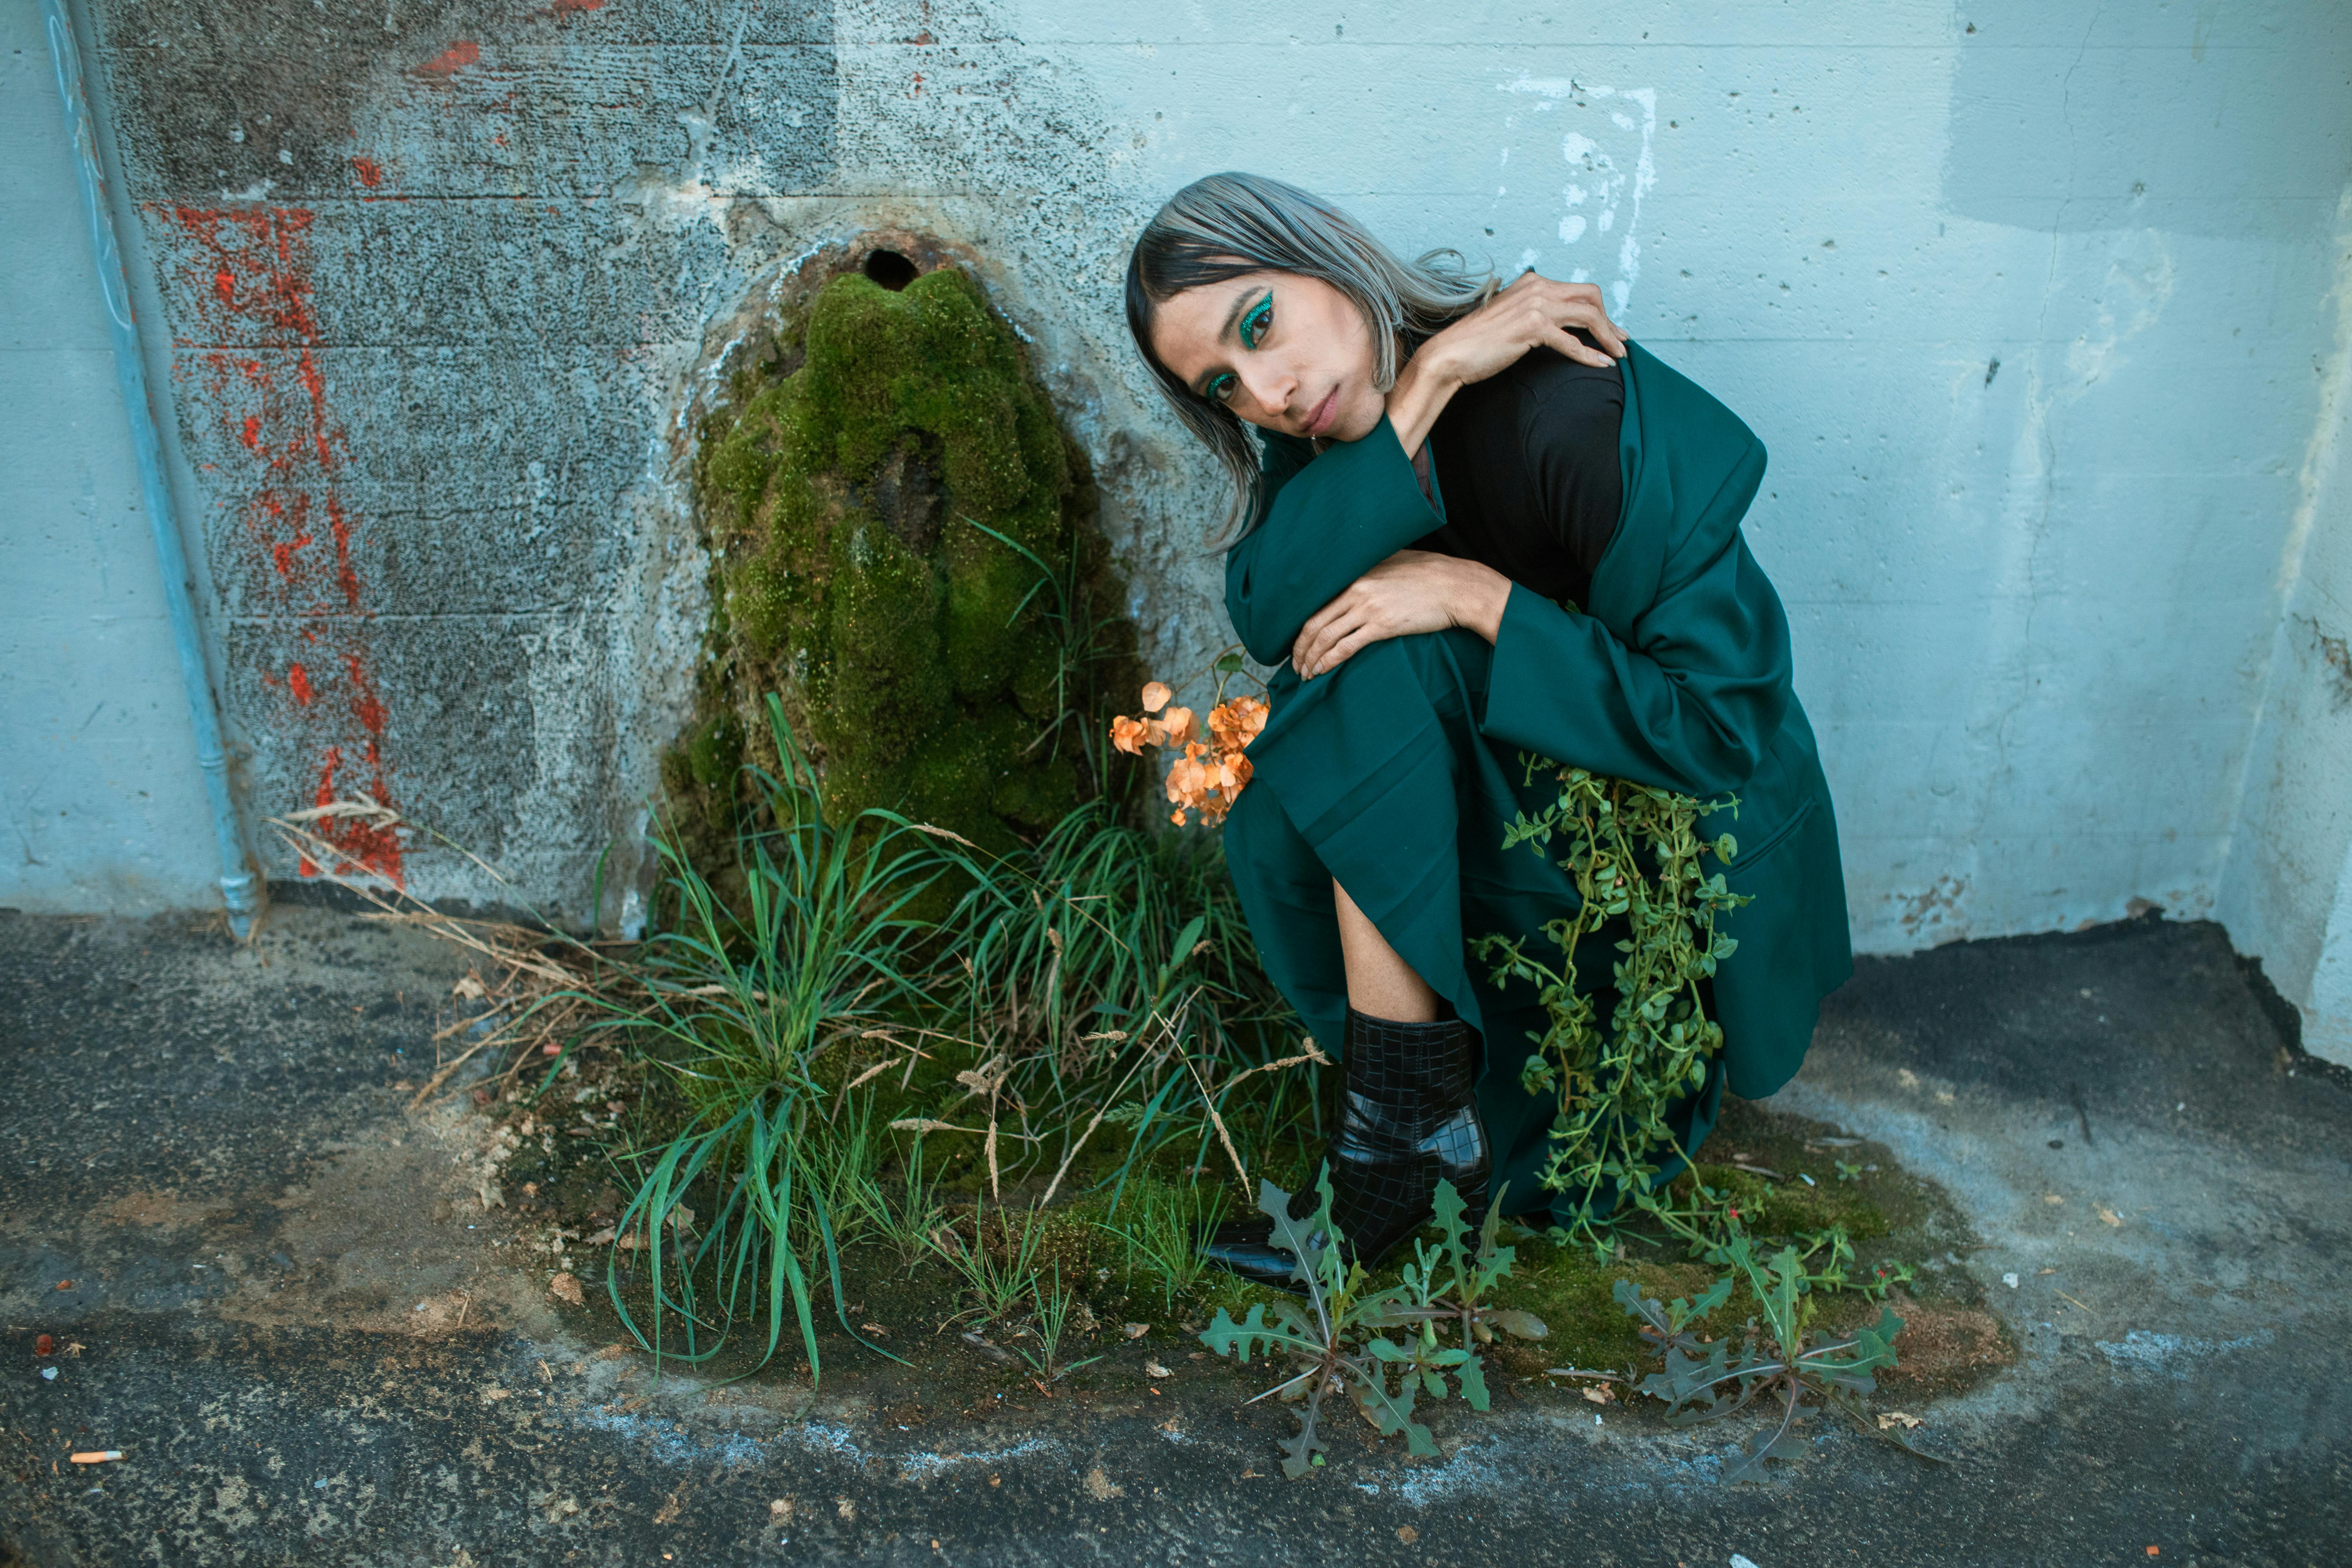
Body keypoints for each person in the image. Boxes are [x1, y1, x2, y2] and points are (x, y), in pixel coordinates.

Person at [1123, 172, 1853, 1287]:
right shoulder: (1338, 425)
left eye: (1258, 323)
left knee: (1380, 666)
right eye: (1224, 385)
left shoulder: (1568, 415)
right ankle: (1412, 1120)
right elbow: (1271, 610)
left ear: (1325, 254)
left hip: (1678, 868)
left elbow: (1720, 734)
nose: (1265, 390)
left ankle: (1402, 1134)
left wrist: (1476, 597)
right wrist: (1426, 382)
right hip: (1539, 827)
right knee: (1317, 735)